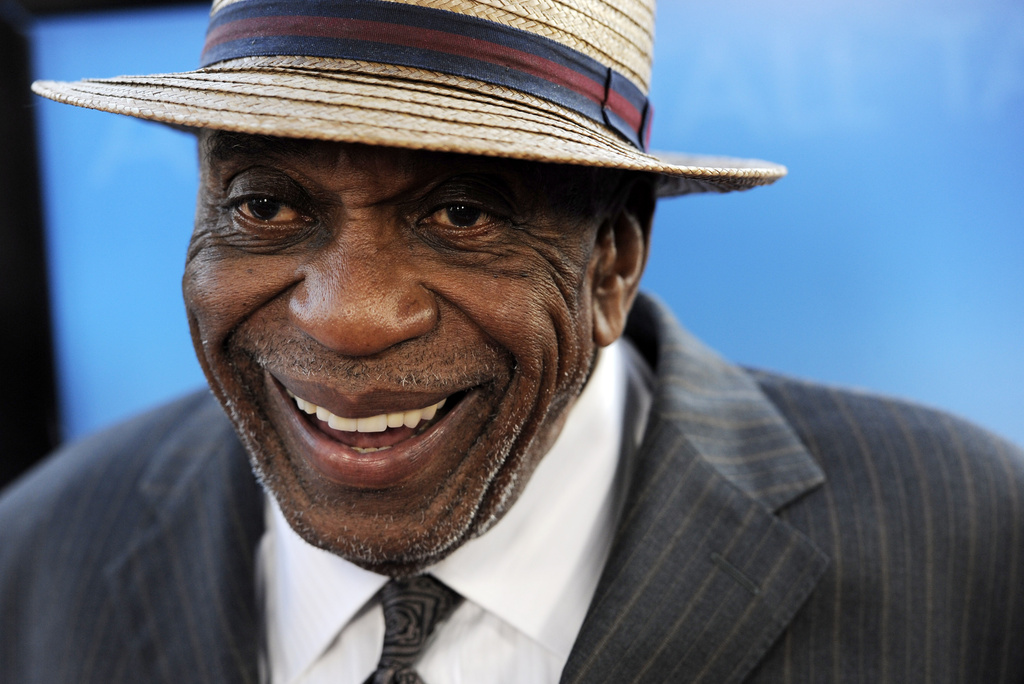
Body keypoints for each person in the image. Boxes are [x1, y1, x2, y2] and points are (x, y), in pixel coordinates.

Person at [2, 0, 1023, 682]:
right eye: (265, 204)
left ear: (612, 263)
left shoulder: (969, 542)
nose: (345, 316)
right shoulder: (34, 557)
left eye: (461, 214)